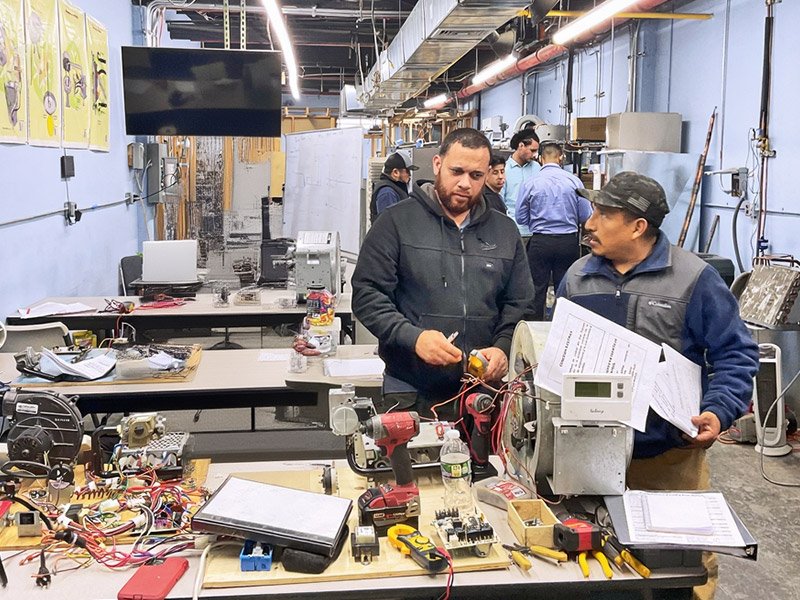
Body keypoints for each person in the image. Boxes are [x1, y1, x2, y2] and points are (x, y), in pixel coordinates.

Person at [557, 171, 759, 600]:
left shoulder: (694, 279)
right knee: (591, 570)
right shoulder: (577, 278)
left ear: (637, 226)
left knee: (680, 573)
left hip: (667, 460)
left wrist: (719, 410)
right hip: (587, 458)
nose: (589, 223)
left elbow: (736, 353)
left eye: (603, 214)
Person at [353, 128, 534, 420]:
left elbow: (520, 303)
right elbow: (367, 295)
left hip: (483, 394)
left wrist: (502, 348)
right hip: (410, 389)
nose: (465, 183)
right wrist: (413, 338)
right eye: (456, 171)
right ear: (437, 165)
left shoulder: (505, 231)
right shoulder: (396, 223)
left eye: (476, 175)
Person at [516, 142, 592, 319]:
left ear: (541, 159)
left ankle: (534, 328)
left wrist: (536, 221)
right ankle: (562, 327)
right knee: (566, 289)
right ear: (561, 158)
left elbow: (520, 218)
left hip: (540, 241)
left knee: (536, 290)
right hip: (568, 242)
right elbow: (585, 214)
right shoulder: (574, 181)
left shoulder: (530, 183)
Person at [502, 128, 540, 231]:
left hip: (535, 228)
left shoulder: (537, 168)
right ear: (521, 145)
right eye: (532, 150)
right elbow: (500, 201)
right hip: (512, 228)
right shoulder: (504, 170)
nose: (535, 155)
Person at [369, 150, 419, 223]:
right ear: (395, 172)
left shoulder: (395, 189)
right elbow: (388, 224)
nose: (409, 175)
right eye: (407, 171)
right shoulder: (387, 193)